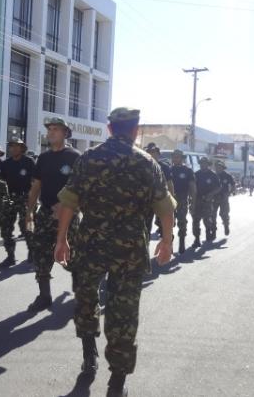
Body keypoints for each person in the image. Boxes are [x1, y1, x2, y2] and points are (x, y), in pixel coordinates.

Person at [54, 107, 175, 397]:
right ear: (135, 130)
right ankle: (117, 380)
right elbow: (166, 208)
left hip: (90, 244)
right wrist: (167, 242)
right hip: (130, 248)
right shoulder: (147, 163)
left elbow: (68, 203)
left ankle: (88, 355)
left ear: (109, 129)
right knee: (123, 312)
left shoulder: (88, 158)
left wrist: (62, 240)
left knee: (86, 299)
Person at [25, 117, 80, 312]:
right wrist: (29, 212)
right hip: (45, 213)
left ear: (65, 133)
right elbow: (36, 187)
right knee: (40, 254)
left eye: (56, 129)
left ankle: (82, 289)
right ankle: (44, 295)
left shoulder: (75, 157)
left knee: (70, 257)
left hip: (69, 215)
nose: (51, 133)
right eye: (49, 129)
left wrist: (67, 207)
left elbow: (83, 189)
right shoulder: (43, 158)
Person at [0, 137, 35, 268]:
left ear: (22, 148)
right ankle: (10, 256)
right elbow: (0, 180)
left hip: (25, 198)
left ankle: (32, 252)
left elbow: (36, 181)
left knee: (26, 227)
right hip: (9, 199)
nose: (13, 148)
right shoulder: (6, 164)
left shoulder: (29, 162)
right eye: (11, 146)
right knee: (6, 228)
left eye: (16, 146)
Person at [168, 149, 196, 254]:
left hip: (182, 199)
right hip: (169, 199)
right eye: (174, 156)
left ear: (182, 158)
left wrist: (193, 201)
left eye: (178, 156)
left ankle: (182, 243)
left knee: (182, 221)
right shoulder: (168, 170)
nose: (175, 158)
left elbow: (192, 186)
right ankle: (169, 245)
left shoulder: (188, 171)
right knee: (168, 222)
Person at [191, 157, 220, 247]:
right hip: (197, 200)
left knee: (207, 220)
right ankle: (197, 239)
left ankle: (209, 232)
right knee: (196, 221)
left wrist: (211, 194)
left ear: (208, 164)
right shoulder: (196, 174)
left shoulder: (213, 175)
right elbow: (191, 187)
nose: (203, 165)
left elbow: (218, 187)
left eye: (205, 163)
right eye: (201, 163)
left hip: (208, 201)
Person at [212, 160, 235, 236]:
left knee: (224, 214)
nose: (218, 168)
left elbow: (233, 185)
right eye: (217, 167)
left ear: (222, 167)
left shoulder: (227, 176)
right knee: (212, 214)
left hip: (223, 197)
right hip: (214, 197)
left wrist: (229, 193)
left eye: (219, 167)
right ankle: (213, 230)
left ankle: (226, 226)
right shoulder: (213, 175)